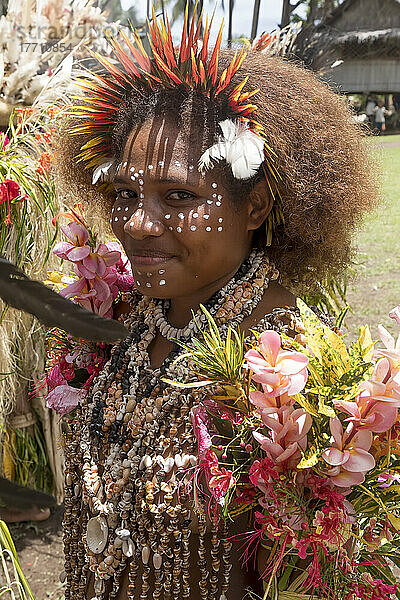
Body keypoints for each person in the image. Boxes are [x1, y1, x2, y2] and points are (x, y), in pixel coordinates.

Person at [55, 9, 377, 600]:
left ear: (255, 207)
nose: (138, 223)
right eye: (124, 194)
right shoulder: (118, 319)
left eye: (178, 196)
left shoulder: (291, 373)